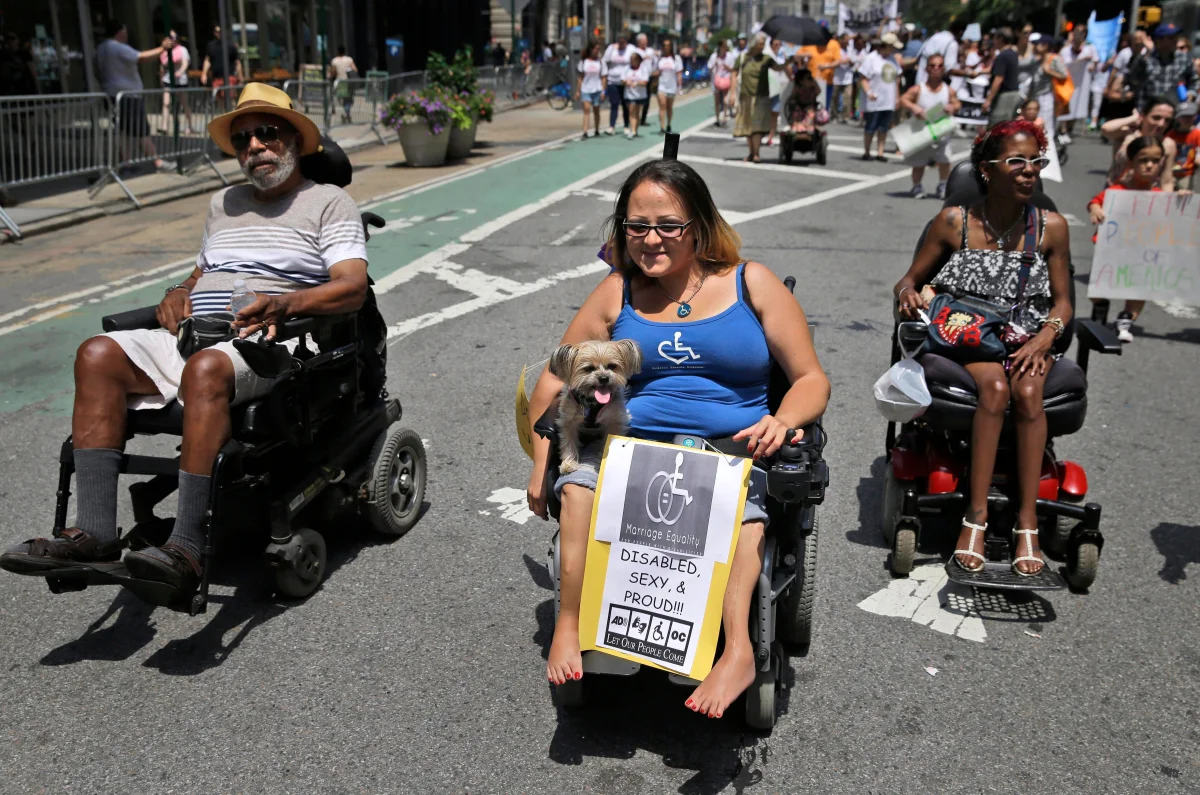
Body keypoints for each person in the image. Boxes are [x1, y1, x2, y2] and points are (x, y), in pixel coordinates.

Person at [0, 84, 368, 592]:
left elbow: (350, 289)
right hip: (196, 337)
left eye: (267, 133)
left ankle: (188, 548)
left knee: (206, 369)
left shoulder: (330, 202)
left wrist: (285, 303)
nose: (254, 147)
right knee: (97, 353)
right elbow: (203, 273)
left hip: (272, 344)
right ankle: (95, 533)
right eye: (242, 140)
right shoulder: (224, 203)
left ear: (296, 141)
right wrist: (178, 289)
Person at [527, 158, 829, 718]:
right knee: (577, 491)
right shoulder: (617, 291)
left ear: (700, 225)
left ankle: (738, 649)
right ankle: (568, 624)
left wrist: (782, 422)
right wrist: (541, 460)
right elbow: (553, 378)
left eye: (668, 225)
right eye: (636, 227)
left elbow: (811, 379)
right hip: (631, 450)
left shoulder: (750, 282)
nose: (651, 239)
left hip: (731, 450)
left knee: (744, 521)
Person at [896, 119, 1072, 577]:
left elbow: (1064, 302)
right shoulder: (955, 222)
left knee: (1030, 393)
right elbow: (910, 280)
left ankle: (1027, 524)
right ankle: (975, 517)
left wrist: (1046, 336)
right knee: (993, 388)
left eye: (1037, 161)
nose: (1030, 171)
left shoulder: (1051, 227)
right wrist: (911, 295)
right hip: (969, 334)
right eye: (1018, 161)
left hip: (1028, 336)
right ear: (987, 169)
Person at [1086, 136, 1172, 343]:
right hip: (1114, 251)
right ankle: (1100, 307)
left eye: (1155, 160)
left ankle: (1126, 319)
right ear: (1131, 162)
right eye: (1143, 160)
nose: (1149, 165)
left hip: (1143, 252)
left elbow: (1175, 215)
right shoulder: (1116, 192)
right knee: (1100, 286)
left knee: (1139, 287)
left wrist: (1183, 201)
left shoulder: (1161, 196)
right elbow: (1095, 202)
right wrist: (1096, 209)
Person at [96, 20, 175, 173]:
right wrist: (162, 48)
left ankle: (126, 163)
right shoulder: (117, 47)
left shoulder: (101, 48)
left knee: (123, 131)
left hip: (113, 94)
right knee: (141, 130)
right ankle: (157, 162)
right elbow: (141, 57)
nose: (126, 34)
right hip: (127, 96)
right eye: (125, 31)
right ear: (119, 32)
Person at [899, 54, 960, 198]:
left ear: (943, 69)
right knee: (919, 162)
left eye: (939, 66)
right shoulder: (918, 89)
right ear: (927, 68)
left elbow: (957, 103)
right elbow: (903, 99)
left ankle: (942, 185)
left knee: (945, 160)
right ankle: (916, 186)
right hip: (922, 131)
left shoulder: (948, 90)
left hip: (941, 131)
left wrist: (953, 107)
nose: (936, 69)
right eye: (932, 65)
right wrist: (914, 108)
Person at [730, 33, 788, 163]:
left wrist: (789, 61)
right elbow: (734, 73)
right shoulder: (743, 57)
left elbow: (778, 68)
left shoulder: (766, 59)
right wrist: (732, 93)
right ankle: (751, 153)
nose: (762, 47)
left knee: (757, 128)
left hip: (761, 97)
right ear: (754, 44)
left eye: (763, 44)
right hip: (746, 97)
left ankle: (756, 153)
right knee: (748, 127)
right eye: (760, 44)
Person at [1101, 97, 1178, 190]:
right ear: (1144, 116)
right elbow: (1106, 129)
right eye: (1156, 118)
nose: (1161, 124)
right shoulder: (1127, 134)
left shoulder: (1168, 144)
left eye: (1167, 120)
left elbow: (1166, 180)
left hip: (1147, 195)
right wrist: (1133, 118)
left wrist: (1167, 201)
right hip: (1117, 191)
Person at [1128, 24, 1199, 112]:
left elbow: (1194, 81)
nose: (1175, 40)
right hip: (1148, 112)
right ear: (1159, 41)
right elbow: (1132, 80)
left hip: (1176, 110)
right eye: (1171, 38)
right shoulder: (1146, 58)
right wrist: (1143, 54)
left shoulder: (1184, 58)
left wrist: (1190, 95)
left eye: (1176, 37)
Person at [858, 32, 901, 162]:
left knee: (884, 127)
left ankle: (880, 152)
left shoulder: (893, 59)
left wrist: (897, 97)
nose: (894, 49)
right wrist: (869, 92)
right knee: (871, 126)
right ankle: (867, 151)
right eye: (892, 46)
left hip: (888, 99)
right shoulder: (871, 58)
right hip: (874, 100)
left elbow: (896, 79)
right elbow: (863, 78)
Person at [1058, 25, 1098, 141]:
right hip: (1068, 82)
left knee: (1077, 106)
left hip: (1082, 84)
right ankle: (1063, 129)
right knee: (1066, 105)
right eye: (1076, 33)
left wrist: (1092, 66)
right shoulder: (1066, 50)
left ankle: (1069, 130)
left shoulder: (1090, 48)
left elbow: (1095, 62)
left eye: (1081, 33)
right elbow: (1062, 63)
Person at [983, 27, 1021, 126]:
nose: (993, 41)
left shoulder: (1003, 56)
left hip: (1004, 97)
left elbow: (999, 78)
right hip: (1014, 94)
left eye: (995, 38)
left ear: (1000, 38)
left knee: (997, 126)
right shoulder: (1012, 54)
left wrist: (988, 99)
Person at [1030, 33, 1068, 133]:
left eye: (1038, 44)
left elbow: (1064, 75)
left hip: (1047, 96)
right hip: (1036, 96)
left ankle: (1049, 147)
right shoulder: (1037, 59)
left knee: (1046, 127)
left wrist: (1049, 71)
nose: (1035, 46)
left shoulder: (1054, 58)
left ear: (1045, 45)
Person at [798, 34, 843, 116]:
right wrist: (804, 56)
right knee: (809, 105)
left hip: (827, 82)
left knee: (823, 106)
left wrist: (827, 66)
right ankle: (810, 121)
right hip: (810, 82)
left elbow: (839, 61)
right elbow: (797, 55)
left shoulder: (834, 44)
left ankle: (820, 121)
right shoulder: (810, 43)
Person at [158, 31, 193, 135]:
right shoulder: (164, 51)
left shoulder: (182, 50)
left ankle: (190, 125)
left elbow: (185, 63)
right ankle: (164, 127)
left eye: (173, 37)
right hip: (168, 80)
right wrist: (161, 77)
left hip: (180, 81)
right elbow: (162, 66)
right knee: (166, 103)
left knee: (184, 104)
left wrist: (180, 72)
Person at [602, 34, 635, 135]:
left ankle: (626, 125)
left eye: (623, 42)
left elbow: (635, 61)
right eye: (620, 42)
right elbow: (604, 60)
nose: (622, 44)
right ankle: (612, 126)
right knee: (614, 104)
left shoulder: (631, 49)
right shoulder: (611, 48)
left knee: (626, 104)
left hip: (625, 81)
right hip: (613, 80)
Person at [575, 41, 607, 140]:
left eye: (598, 49)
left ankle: (597, 129)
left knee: (596, 109)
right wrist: (578, 90)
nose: (597, 51)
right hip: (586, 88)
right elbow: (580, 77)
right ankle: (585, 131)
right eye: (596, 49)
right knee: (586, 109)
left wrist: (603, 91)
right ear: (591, 49)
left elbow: (603, 77)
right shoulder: (584, 61)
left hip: (597, 88)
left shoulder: (601, 62)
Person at [918, 21, 963, 87]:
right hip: (933, 87)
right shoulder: (952, 43)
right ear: (961, 32)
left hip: (920, 81)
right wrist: (968, 74)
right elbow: (949, 69)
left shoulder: (935, 36)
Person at [1167, 101, 1199, 191]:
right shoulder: (1171, 135)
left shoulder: (1197, 134)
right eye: (1184, 117)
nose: (1187, 119)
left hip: (1187, 175)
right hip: (1170, 173)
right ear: (1177, 118)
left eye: (1190, 116)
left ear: (1195, 117)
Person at [654, 39, 683, 134]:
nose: (666, 47)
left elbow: (679, 73)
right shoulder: (659, 58)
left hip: (672, 86)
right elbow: (654, 71)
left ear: (671, 47)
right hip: (661, 86)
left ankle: (668, 124)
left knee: (669, 107)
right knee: (662, 106)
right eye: (664, 45)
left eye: (668, 45)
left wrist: (680, 86)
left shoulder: (676, 58)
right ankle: (662, 127)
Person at [622, 51, 650, 139]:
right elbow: (622, 80)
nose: (631, 62)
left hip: (640, 95)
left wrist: (637, 83)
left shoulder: (643, 69)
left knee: (637, 113)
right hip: (629, 95)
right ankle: (632, 130)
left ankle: (635, 130)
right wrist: (627, 81)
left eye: (633, 60)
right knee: (631, 111)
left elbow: (645, 81)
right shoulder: (627, 68)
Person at [708, 39, 736, 127]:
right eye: (723, 46)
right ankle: (717, 118)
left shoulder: (730, 56)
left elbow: (733, 70)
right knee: (716, 101)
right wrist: (714, 64)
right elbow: (709, 68)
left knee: (725, 100)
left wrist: (726, 67)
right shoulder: (714, 56)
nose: (724, 48)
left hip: (726, 80)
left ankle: (724, 117)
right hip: (716, 80)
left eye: (725, 46)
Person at [329, 46, 359, 124]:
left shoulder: (334, 61)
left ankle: (346, 112)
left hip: (339, 82)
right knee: (348, 99)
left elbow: (333, 73)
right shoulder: (349, 60)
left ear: (337, 52)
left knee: (340, 98)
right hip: (349, 82)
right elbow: (355, 69)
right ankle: (347, 112)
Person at [832, 33, 857, 122]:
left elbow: (854, 62)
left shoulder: (850, 49)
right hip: (836, 77)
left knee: (848, 97)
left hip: (848, 77)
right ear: (841, 40)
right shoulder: (836, 49)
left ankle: (845, 116)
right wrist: (841, 61)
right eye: (846, 40)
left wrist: (850, 62)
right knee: (834, 97)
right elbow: (833, 61)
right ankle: (834, 115)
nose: (847, 42)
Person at [636, 33, 657, 127]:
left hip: (648, 78)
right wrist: (642, 58)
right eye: (643, 40)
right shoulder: (635, 51)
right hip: (638, 78)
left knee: (647, 99)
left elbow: (655, 62)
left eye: (646, 40)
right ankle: (635, 118)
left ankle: (643, 119)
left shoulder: (650, 51)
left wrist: (654, 71)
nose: (645, 42)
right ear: (639, 42)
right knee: (637, 99)